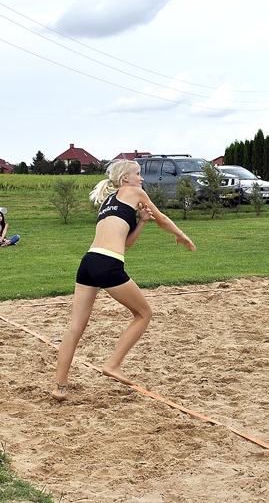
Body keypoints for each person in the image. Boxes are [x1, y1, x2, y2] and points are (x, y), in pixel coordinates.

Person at [52, 160, 195, 401]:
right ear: (125, 178)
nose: (142, 179)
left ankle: (60, 387)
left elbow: (126, 242)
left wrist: (141, 221)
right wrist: (181, 234)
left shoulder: (108, 201)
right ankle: (113, 364)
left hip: (88, 262)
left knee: (75, 328)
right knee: (144, 314)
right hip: (108, 263)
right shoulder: (135, 192)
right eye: (138, 174)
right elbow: (162, 218)